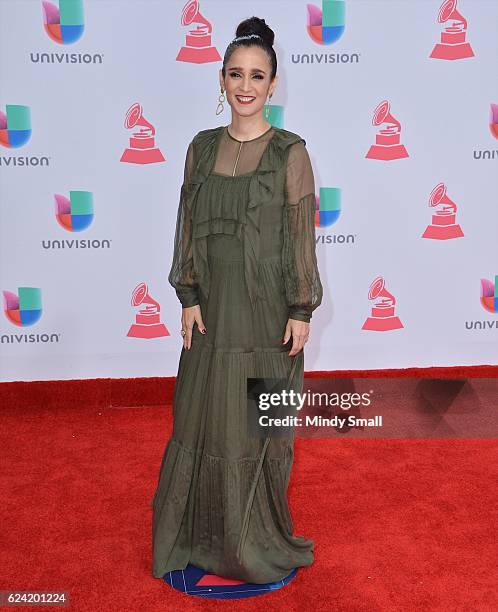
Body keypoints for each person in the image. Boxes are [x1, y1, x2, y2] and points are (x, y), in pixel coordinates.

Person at [151, 16, 323, 584]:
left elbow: (301, 236)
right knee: (200, 423)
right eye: (235, 74)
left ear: (274, 85)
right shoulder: (200, 150)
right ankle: (200, 537)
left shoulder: (290, 154)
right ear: (221, 80)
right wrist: (189, 294)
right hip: (212, 314)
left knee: (256, 429)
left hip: (268, 316)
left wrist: (301, 309)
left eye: (257, 75)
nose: (245, 86)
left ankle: (253, 542)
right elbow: (187, 227)